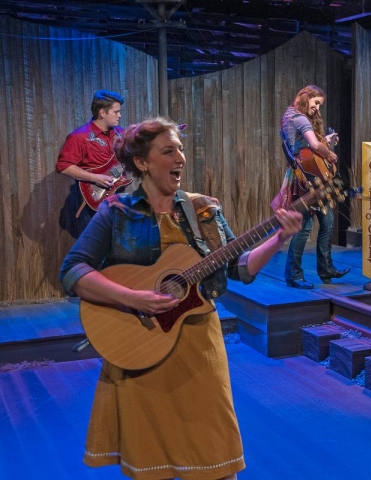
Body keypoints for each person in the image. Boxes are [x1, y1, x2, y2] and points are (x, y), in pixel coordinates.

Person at [59, 117, 302, 480]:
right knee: (151, 464)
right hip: (140, 346)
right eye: (168, 151)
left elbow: (239, 268)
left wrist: (278, 238)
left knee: (217, 458)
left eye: (182, 150)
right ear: (142, 162)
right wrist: (133, 297)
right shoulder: (117, 212)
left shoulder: (204, 209)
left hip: (199, 349)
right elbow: (73, 271)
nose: (181, 158)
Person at [280, 85, 350, 289]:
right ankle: (293, 275)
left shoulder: (289, 115)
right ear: (306, 97)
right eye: (316, 103)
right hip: (306, 177)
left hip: (303, 173)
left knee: (327, 220)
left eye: (320, 104)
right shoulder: (299, 118)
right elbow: (312, 144)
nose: (318, 108)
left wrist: (325, 141)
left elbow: (303, 143)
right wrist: (328, 152)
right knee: (304, 227)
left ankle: (326, 268)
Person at [57, 89, 126, 238]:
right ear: (102, 112)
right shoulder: (79, 137)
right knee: (94, 251)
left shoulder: (121, 133)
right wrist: (95, 178)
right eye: (116, 112)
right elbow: (64, 166)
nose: (120, 115)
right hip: (91, 200)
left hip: (117, 198)